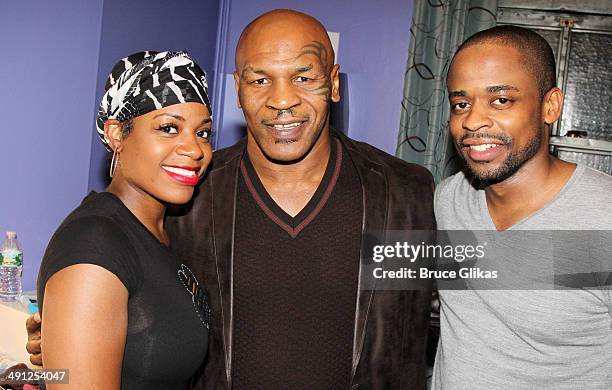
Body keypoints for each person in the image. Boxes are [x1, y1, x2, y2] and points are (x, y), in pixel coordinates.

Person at [28, 9, 436, 389]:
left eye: (303, 77)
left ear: (332, 82)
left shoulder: (404, 192)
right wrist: (73, 335)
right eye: (260, 80)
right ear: (238, 89)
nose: (281, 100)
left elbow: (454, 315)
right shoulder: (187, 199)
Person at [432, 26, 612, 389]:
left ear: (550, 106)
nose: (472, 121)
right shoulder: (447, 199)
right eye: (461, 104)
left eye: (501, 100)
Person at [35, 51, 214, 389]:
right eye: (169, 128)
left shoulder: (162, 229)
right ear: (117, 133)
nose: (194, 149)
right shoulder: (95, 242)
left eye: (203, 132)